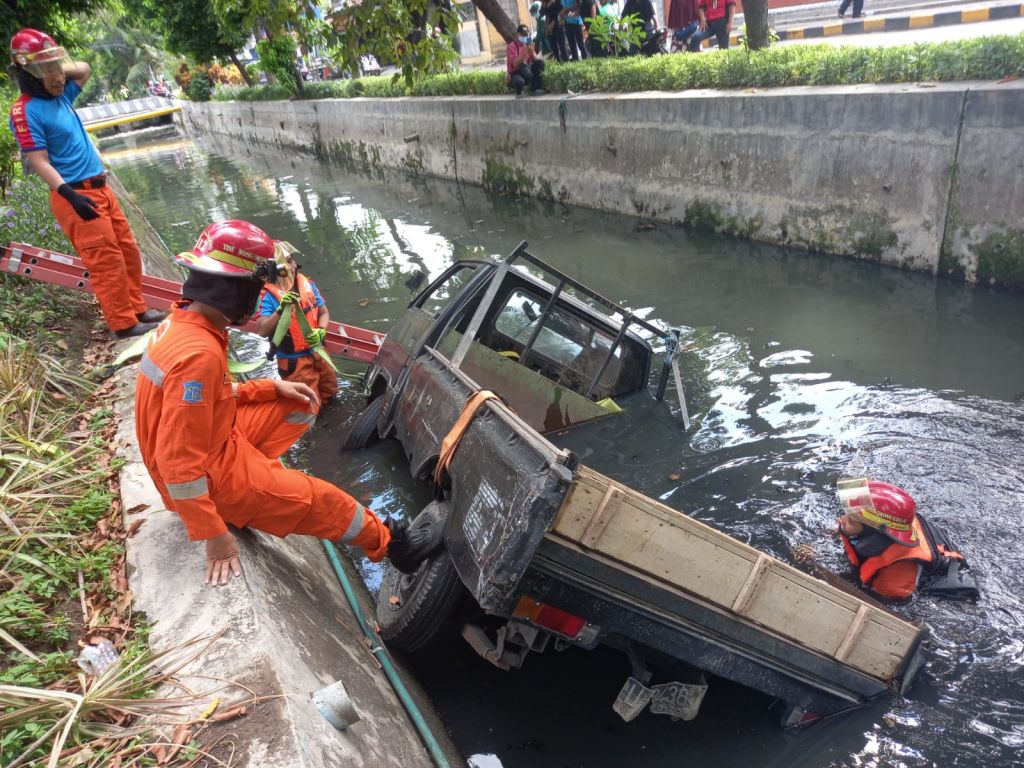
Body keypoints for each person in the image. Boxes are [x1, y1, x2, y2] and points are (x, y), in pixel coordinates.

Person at [134, 219, 430, 585]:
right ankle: (391, 544)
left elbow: (205, 402)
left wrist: (271, 389)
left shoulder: (184, 324)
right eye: (257, 287)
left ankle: (259, 471)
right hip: (210, 473)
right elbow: (178, 463)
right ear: (236, 287)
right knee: (323, 500)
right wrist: (213, 534)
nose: (261, 295)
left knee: (302, 402)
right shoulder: (199, 354)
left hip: (217, 441)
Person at [8, 29, 166, 338]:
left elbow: (83, 69)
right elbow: (39, 161)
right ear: (27, 74)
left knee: (128, 251)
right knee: (106, 261)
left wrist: (50, 66)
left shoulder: (61, 95)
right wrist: (68, 194)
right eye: (47, 72)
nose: (57, 77)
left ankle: (137, 308)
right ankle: (124, 323)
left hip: (101, 188)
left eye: (57, 68)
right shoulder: (25, 111)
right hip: (75, 194)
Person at [834, 477, 979, 600]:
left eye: (851, 521)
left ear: (873, 532)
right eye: (846, 513)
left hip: (937, 582)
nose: (841, 519)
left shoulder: (893, 577)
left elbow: (882, 606)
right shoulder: (895, 524)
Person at [253, 242, 338, 404]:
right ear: (272, 269)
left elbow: (324, 313)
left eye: (290, 260)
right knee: (307, 404)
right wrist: (280, 309)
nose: (289, 267)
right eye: (282, 264)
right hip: (294, 361)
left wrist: (321, 330)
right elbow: (262, 330)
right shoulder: (268, 295)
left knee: (331, 392)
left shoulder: (307, 284)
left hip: (319, 351)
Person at [506, 24, 546, 96]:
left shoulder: (527, 44)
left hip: (527, 70)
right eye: (524, 35)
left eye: (527, 35)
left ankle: (535, 89)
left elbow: (535, 60)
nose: (526, 37)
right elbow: (515, 64)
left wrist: (532, 51)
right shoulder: (512, 46)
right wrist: (525, 52)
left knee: (540, 63)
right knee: (519, 79)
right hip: (516, 72)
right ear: (518, 35)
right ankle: (519, 92)